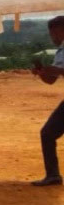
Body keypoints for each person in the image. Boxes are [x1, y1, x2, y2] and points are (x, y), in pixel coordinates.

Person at [30, 15, 64, 186]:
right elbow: (51, 80)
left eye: (54, 34)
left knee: (48, 133)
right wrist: (43, 72)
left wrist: (56, 70)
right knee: (47, 133)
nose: (53, 38)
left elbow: (59, 72)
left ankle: (53, 175)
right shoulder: (61, 51)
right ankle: (53, 175)